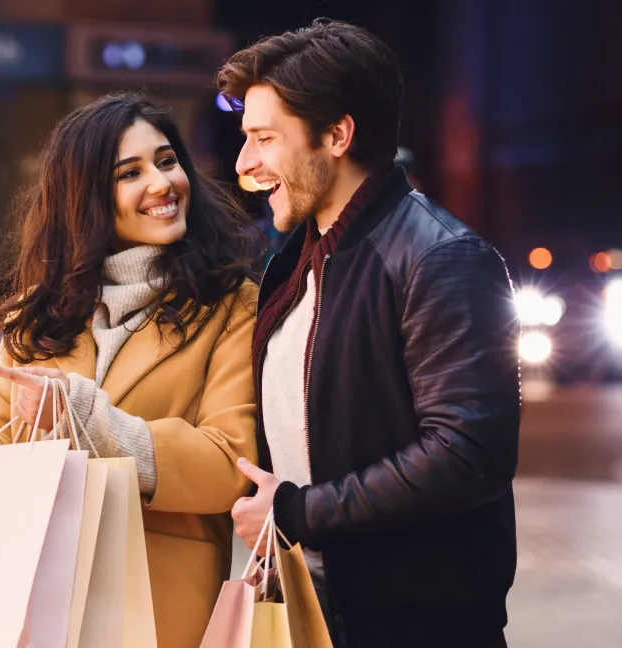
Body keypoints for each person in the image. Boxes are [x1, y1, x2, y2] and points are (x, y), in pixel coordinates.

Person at [0, 93, 259, 648]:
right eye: (131, 172)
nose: (162, 183)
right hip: (37, 602)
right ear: (87, 197)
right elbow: (8, 470)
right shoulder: (34, 314)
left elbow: (228, 465)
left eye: (167, 161)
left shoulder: (232, 304)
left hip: (162, 605)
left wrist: (92, 418)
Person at [218, 19, 520, 648]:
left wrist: (299, 512)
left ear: (337, 134)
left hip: (419, 624)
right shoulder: (295, 260)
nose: (245, 163)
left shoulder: (440, 259)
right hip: (314, 607)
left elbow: (468, 455)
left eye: (264, 138)